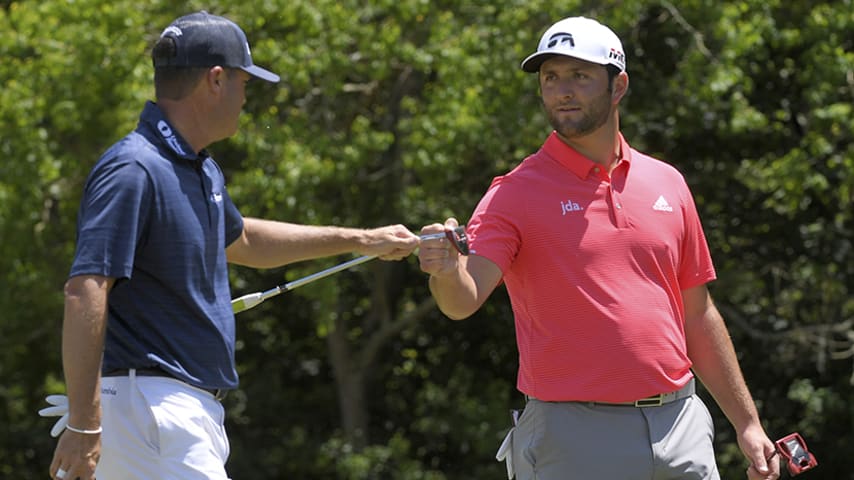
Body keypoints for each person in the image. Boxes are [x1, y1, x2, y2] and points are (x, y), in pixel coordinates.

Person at [47, 11, 419, 480]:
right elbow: (85, 288)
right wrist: (84, 422)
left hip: (171, 412)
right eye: (245, 81)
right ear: (216, 80)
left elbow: (243, 240)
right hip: (153, 409)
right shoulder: (135, 168)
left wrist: (361, 241)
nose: (248, 97)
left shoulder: (199, 168)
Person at [418, 16, 780, 480]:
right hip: (572, 434)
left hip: (681, 426)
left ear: (619, 85)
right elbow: (463, 300)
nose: (562, 90)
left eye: (579, 76)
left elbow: (697, 313)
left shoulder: (667, 181)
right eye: (551, 78)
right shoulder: (514, 193)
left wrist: (747, 423)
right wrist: (447, 270)